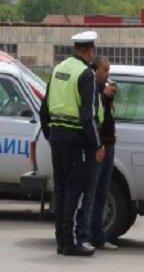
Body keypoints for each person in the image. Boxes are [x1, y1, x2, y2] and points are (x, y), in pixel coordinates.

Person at [39, 31, 103, 256]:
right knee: (75, 191)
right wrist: (97, 145)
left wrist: (50, 135)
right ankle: (71, 242)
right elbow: (89, 115)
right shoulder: (86, 74)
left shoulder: (58, 70)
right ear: (89, 51)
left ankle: (61, 241)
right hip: (76, 141)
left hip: (57, 138)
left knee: (61, 189)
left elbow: (44, 108)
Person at [79, 56, 118, 250]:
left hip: (108, 146)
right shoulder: (93, 89)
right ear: (95, 70)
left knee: (102, 193)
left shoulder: (105, 91)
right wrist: (104, 94)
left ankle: (97, 235)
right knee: (91, 193)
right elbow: (92, 118)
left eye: (108, 70)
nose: (107, 74)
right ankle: (84, 235)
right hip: (98, 147)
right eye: (104, 70)